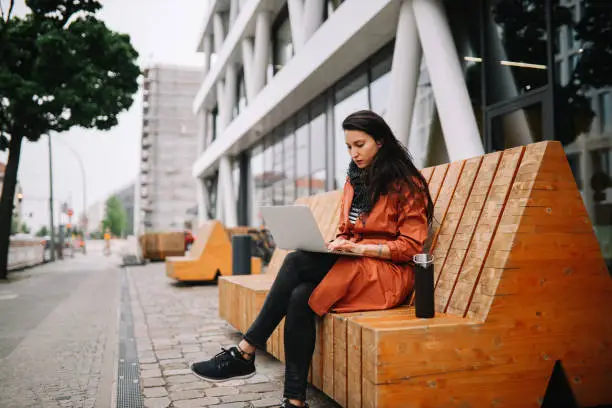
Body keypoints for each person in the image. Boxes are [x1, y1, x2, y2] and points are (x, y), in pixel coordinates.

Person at [190, 110, 434, 408]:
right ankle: (294, 401)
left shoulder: (406, 185)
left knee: (295, 262)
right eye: (348, 146)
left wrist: (361, 249)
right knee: (300, 296)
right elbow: (348, 230)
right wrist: (336, 244)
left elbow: (411, 247)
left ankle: (245, 351)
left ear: (380, 142)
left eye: (360, 145)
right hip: (355, 266)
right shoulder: (355, 180)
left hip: (388, 274)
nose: (354, 153)